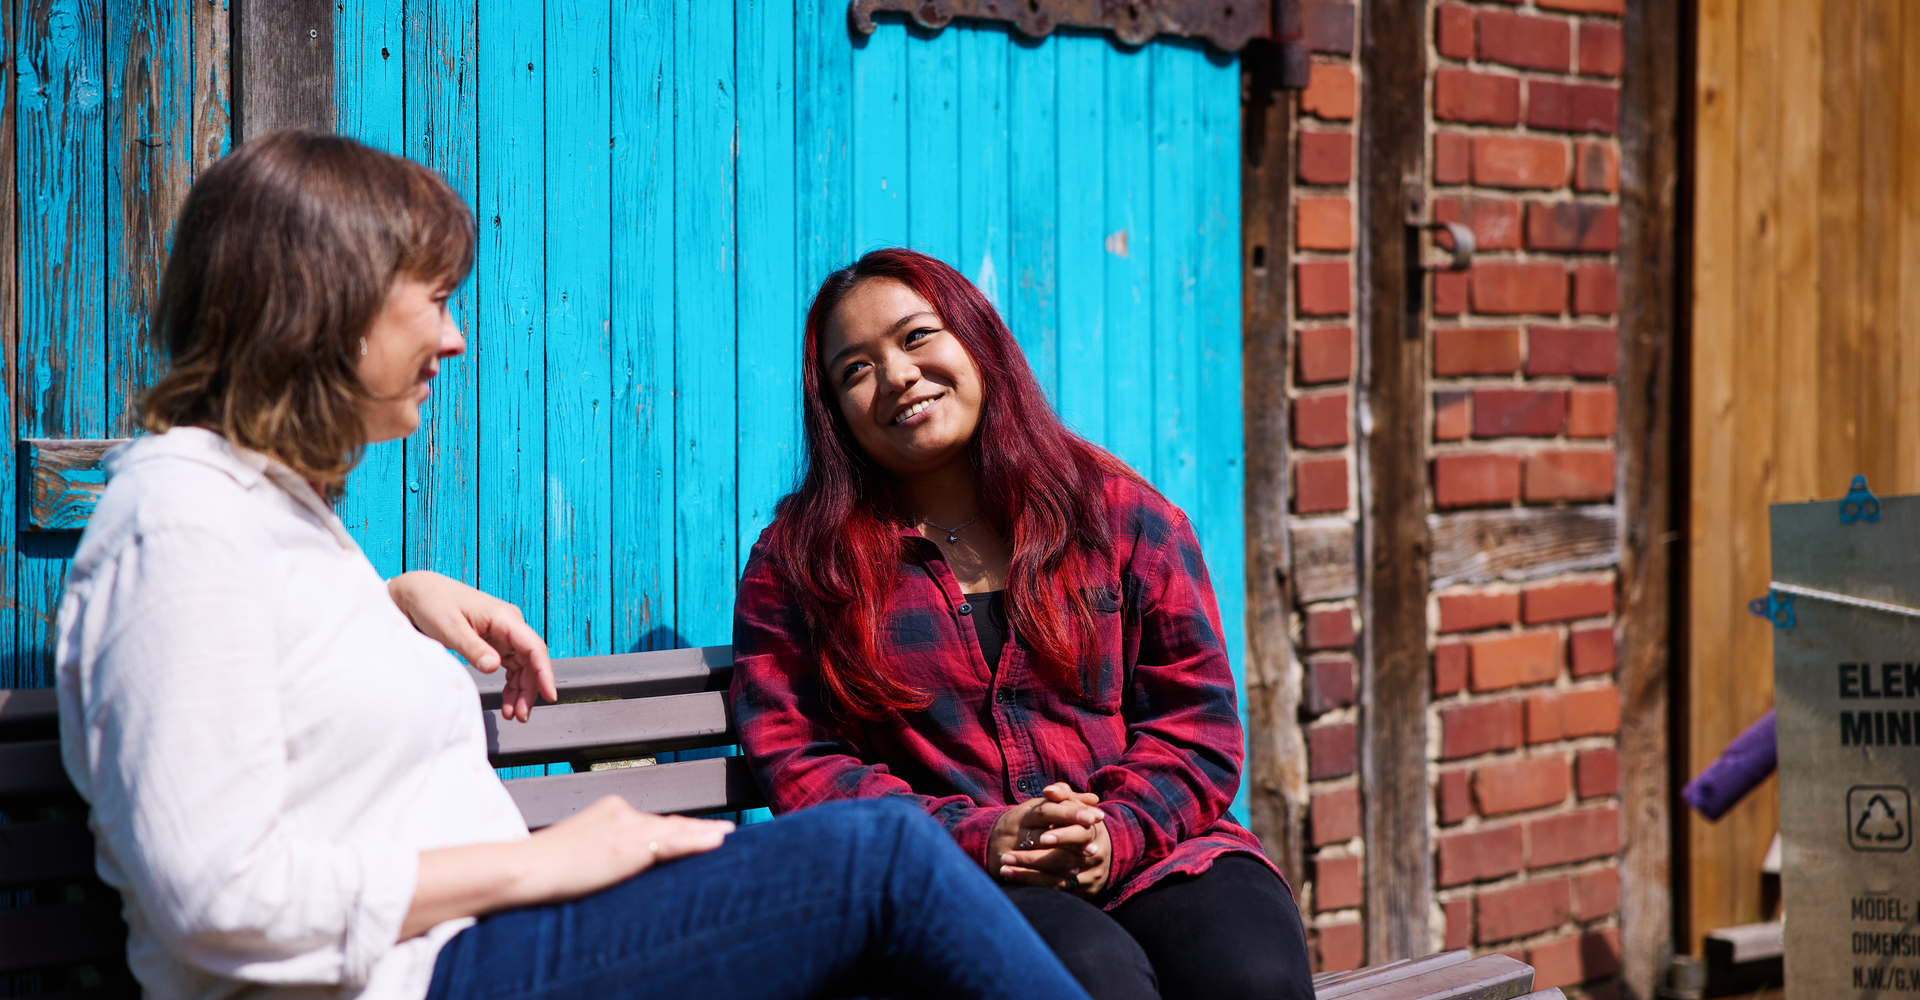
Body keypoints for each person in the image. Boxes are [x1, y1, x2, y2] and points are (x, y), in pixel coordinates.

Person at [54, 132, 1094, 1000]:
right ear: (327, 300)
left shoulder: (263, 518)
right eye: (432, 297)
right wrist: (547, 860)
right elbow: (210, 895)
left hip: (475, 951)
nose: (454, 340)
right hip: (425, 977)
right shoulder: (183, 521)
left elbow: (250, 675)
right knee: (884, 861)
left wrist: (385, 604)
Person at [731, 249, 1316, 1000]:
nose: (900, 376)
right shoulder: (803, 565)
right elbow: (802, 760)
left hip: (1162, 847)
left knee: (1252, 978)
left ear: (976, 339)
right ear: (834, 411)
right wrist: (979, 838)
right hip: (956, 883)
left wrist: (1115, 830)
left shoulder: (1119, 517)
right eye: (856, 370)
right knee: (1089, 979)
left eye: (916, 337)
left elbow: (1195, 725)